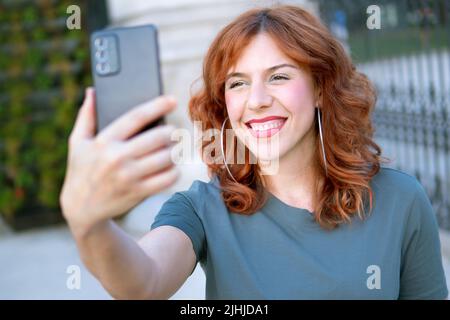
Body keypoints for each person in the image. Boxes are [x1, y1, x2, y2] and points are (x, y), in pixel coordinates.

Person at [60, 5, 448, 299]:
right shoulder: (201, 208)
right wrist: (88, 222)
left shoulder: (401, 200)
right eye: (238, 83)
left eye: (279, 76)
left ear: (319, 89)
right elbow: (142, 282)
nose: (257, 101)